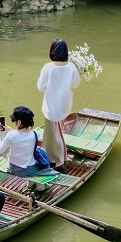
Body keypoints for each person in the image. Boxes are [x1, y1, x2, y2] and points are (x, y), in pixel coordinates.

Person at [37, 38, 80, 173]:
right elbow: (76, 84)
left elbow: (40, 87)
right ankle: (55, 158)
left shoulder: (48, 67)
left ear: (52, 51)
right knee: (58, 131)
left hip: (51, 106)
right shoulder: (71, 67)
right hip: (64, 106)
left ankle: (58, 162)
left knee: (52, 135)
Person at [0, 106, 52, 178]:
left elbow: (0, 150)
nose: (13, 122)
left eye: (14, 120)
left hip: (14, 168)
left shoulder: (11, 134)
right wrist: (12, 130)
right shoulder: (35, 134)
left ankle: (36, 186)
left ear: (19, 122)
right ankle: (37, 186)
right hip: (30, 169)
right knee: (42, 151)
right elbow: (22, 138)